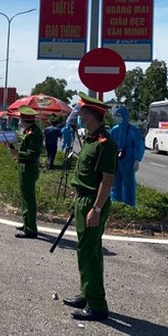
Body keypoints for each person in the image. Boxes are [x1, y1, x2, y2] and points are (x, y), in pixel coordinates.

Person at [62, 92, 117, 322]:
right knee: (84, 251)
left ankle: (97, 305)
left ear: (90, 114)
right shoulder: (92, 139)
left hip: (93, 202)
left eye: (82, 110)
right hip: (84, 199)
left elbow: (107, 179)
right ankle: (86, 294)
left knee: (91, 254)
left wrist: (96, 208)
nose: (78, 113)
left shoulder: (105, 142)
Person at [8, 106, 43, 239]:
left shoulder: (34, 133)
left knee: (29, 198)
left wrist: (18, 153)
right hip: (25, 167)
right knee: (25, 197)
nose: (20, 121)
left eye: (20, 119)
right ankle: (26, 223)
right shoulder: (29, 131)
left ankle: (30, 229)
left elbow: (33, 154)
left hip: (29, 168)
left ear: (24, 119)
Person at [109, 105, 145, 206]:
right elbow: (110, 145)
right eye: (116, 115)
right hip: (116, 161)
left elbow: (139, 145)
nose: (117, 118)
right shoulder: (114, 130)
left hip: (128, 161)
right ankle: (116, 202)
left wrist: (137, 159)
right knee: (116, 183)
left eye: (119, 115)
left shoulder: (134, 130)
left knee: (128, 183)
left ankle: (129, 204)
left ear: (125, 116)